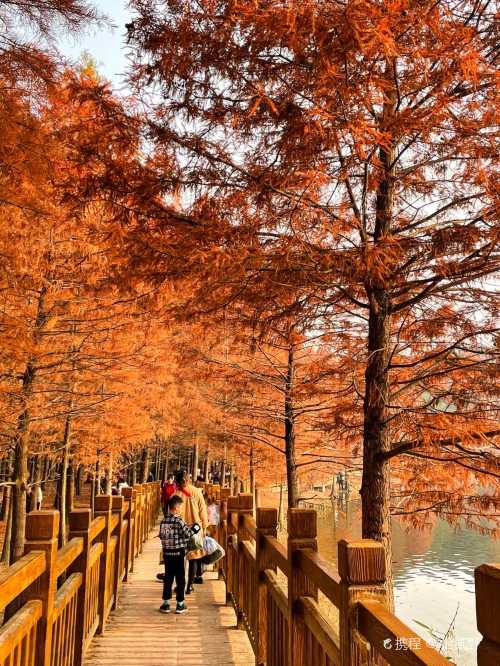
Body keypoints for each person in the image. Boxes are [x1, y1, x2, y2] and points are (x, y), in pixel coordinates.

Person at [158, 495, 199, 614]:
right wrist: (195, 529)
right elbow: (188, 534)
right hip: (179, 553)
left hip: (167, 553)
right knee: (180, 578)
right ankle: (180, 604)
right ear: (176, 508)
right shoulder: (179, 521)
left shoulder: (164, 521)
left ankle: (166, 604)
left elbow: (161, 536)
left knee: (168, 577)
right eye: (180, 507)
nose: (181, 509)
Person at [173, 468, 208, 592]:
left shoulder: (175, 495)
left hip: (180, 530)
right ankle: (190, 586)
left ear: (177, 481)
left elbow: (171, 513)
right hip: (195, 529)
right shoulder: (196, 492)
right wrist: (204, 527)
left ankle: (180, 585)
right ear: (188, 479)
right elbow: (203, 511)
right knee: (194, 557)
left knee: (179, 559)